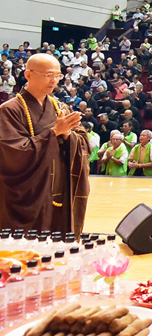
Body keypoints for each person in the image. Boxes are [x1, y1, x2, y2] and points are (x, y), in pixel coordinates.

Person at [0, 53, 90, 236]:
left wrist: (67, 135)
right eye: (48, 75)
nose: (54, 80)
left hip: (57, 188)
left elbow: (82, 142)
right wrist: (54, 133)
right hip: (27, 192)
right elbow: (12, 152)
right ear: (28, 75)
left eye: (58, 75)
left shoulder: (60, 107)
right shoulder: (10, 110)